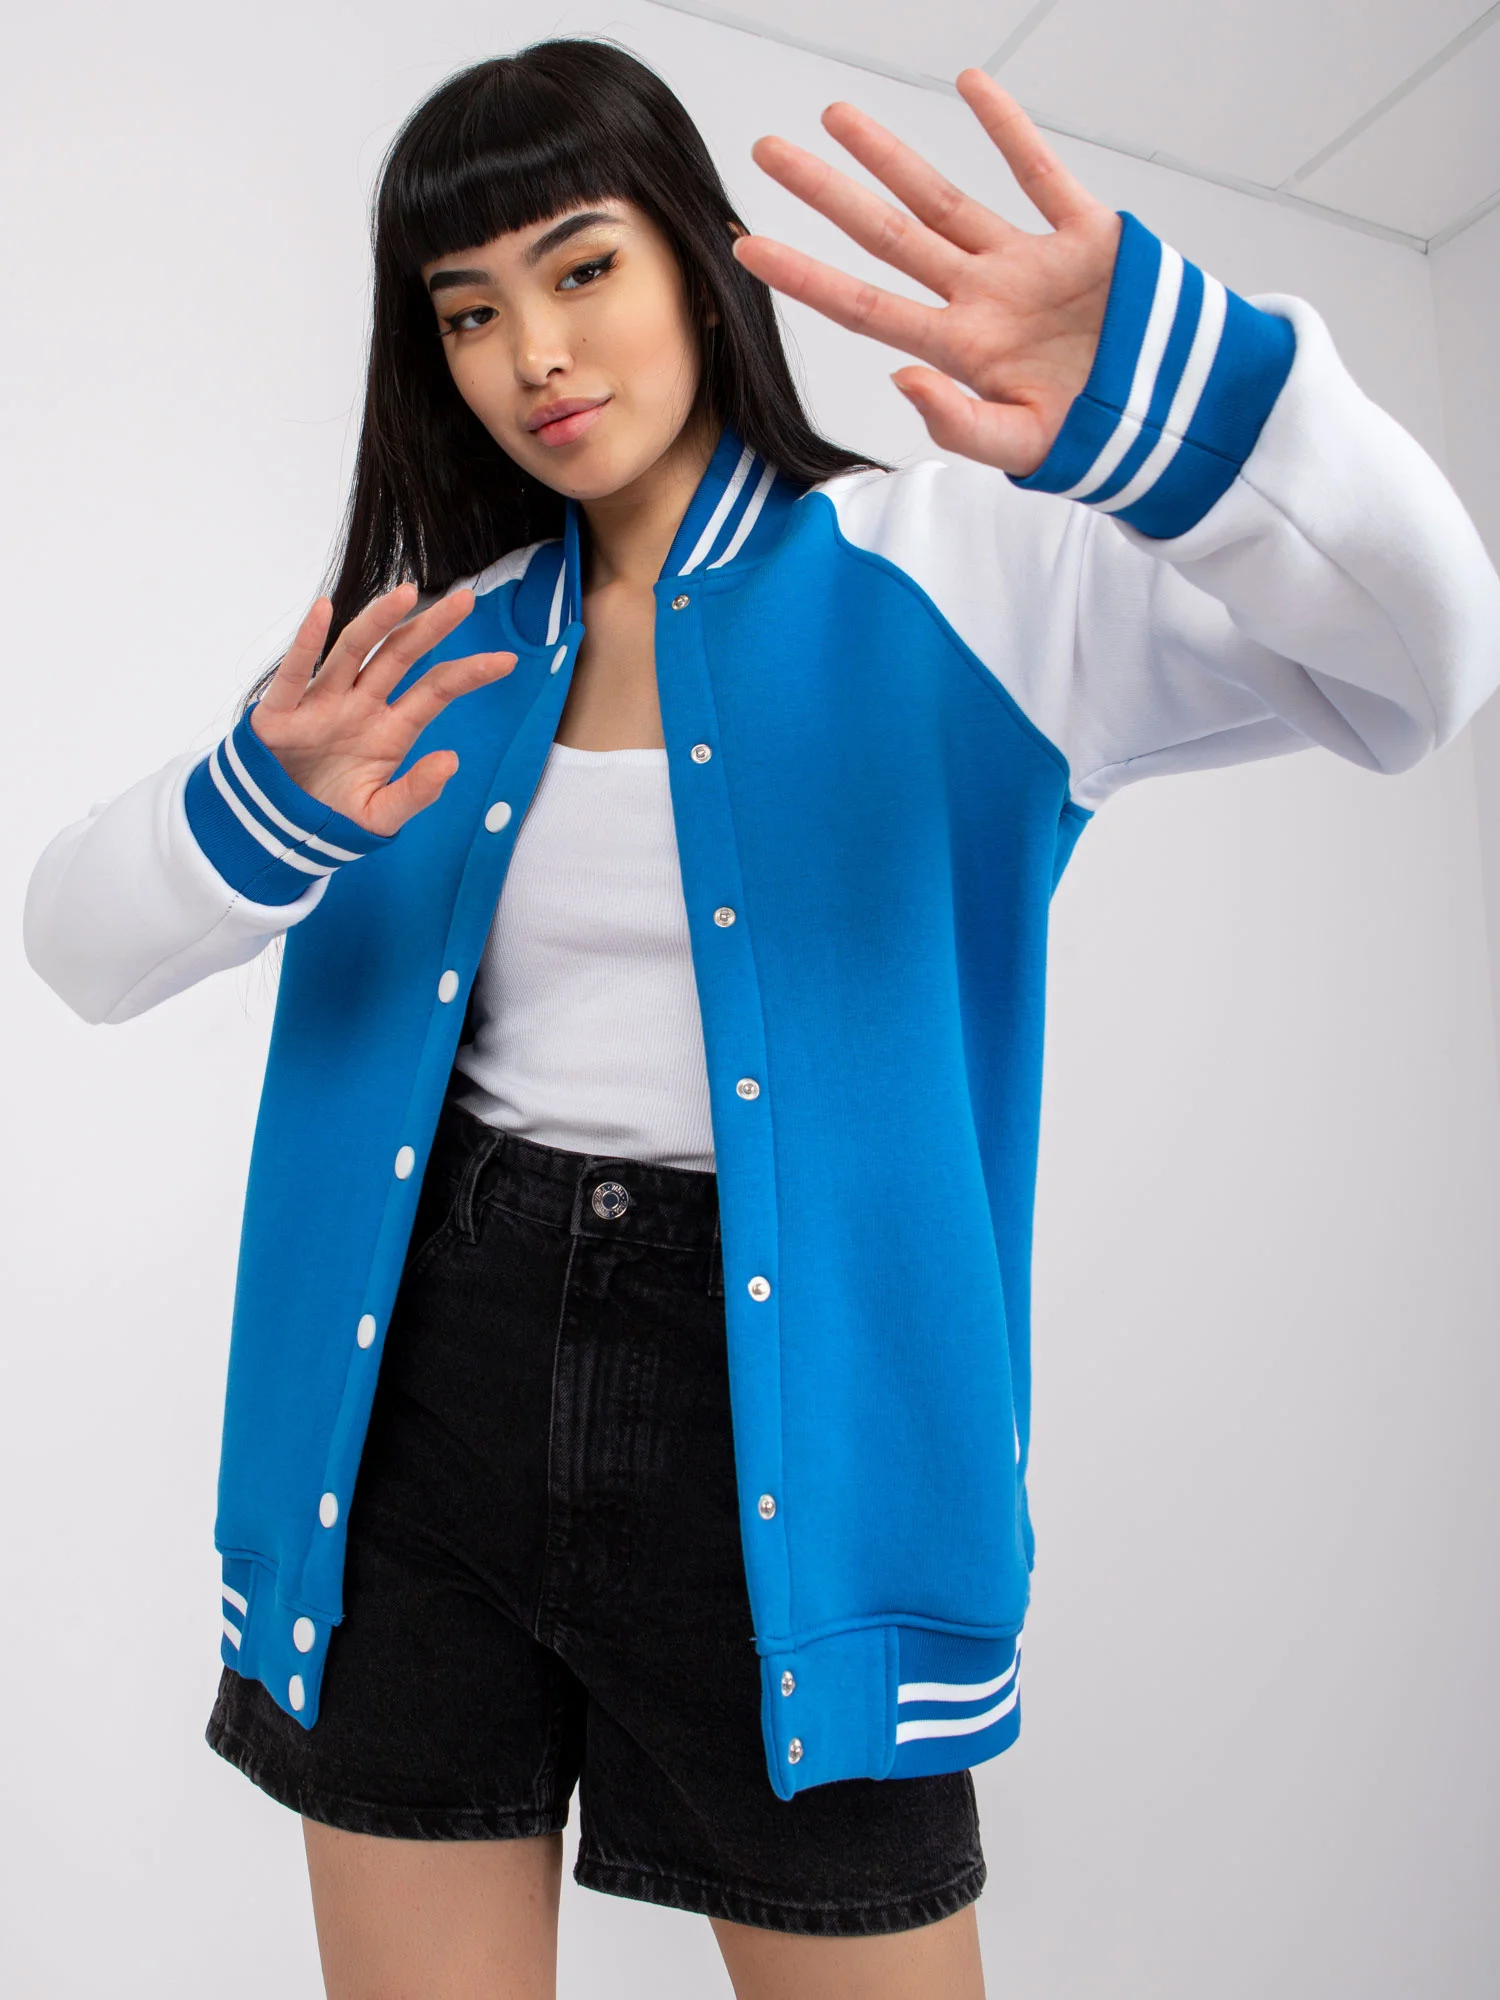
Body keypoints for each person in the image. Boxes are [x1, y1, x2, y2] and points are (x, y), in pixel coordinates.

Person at [22, 32, 1500, 2000]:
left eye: (581, 268)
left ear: (701, 259)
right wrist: (261, 803)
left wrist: (1186, 390)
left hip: (798, 1434)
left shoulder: (963, 566)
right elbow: (77, 945)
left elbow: (1425, 666)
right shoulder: (427, 657)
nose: (535, 352)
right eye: (470, 310)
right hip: (419, 1408)